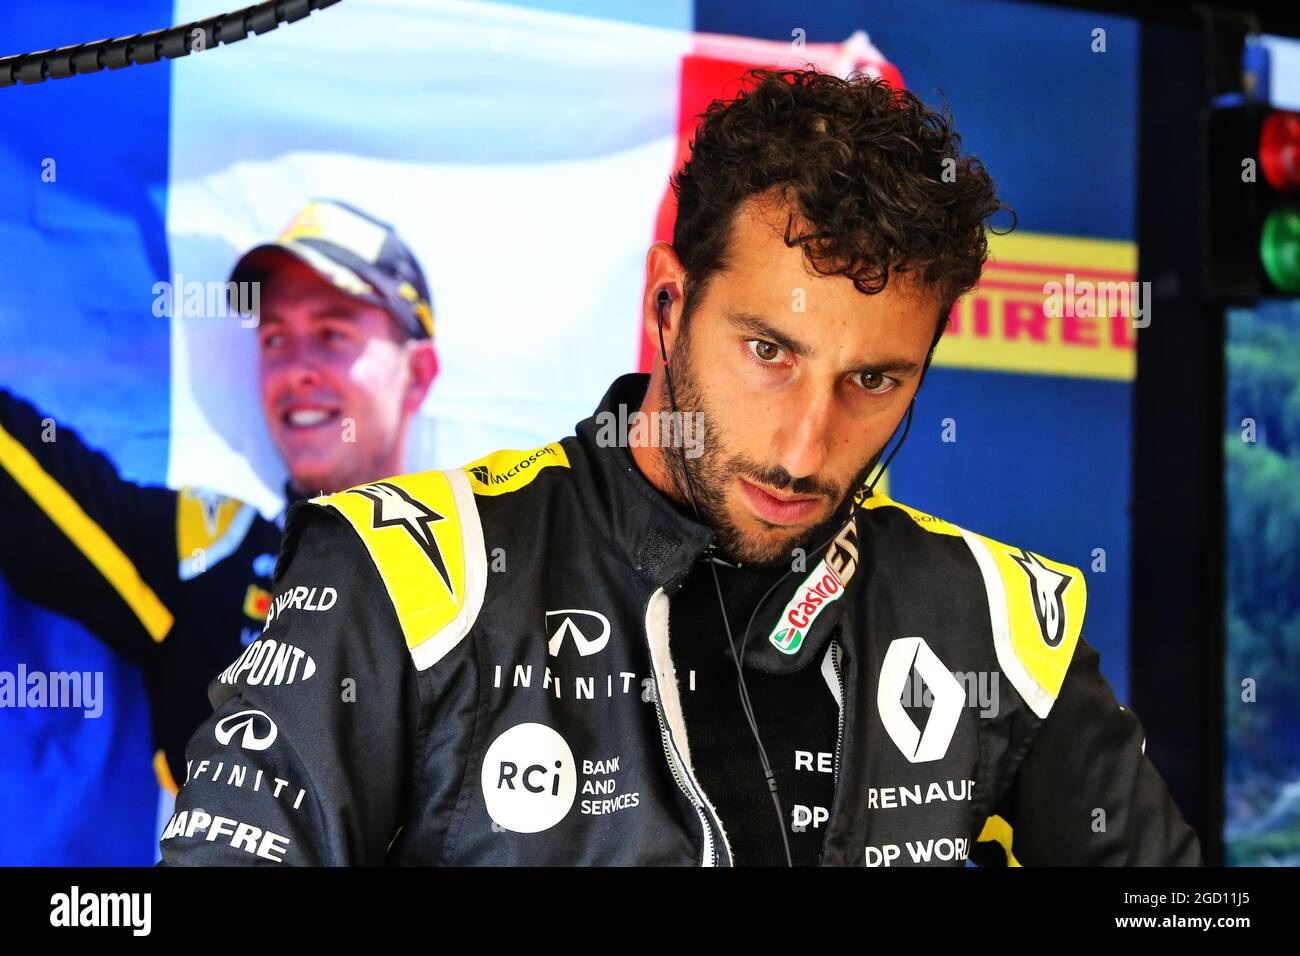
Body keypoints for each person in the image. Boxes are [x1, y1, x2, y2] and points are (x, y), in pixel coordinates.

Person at [159, 71, 1202, 866]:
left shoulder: (1004, 621)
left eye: (873, 380)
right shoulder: (402, 576)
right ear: (668, 304)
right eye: (769, 353)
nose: (804, 446)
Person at [0, 199, 438, 800]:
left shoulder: (506, 574)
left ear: (417, 373)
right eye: (276, 340)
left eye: (332, 334)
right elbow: (27, 482)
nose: (297, 371)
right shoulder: (213, 552)